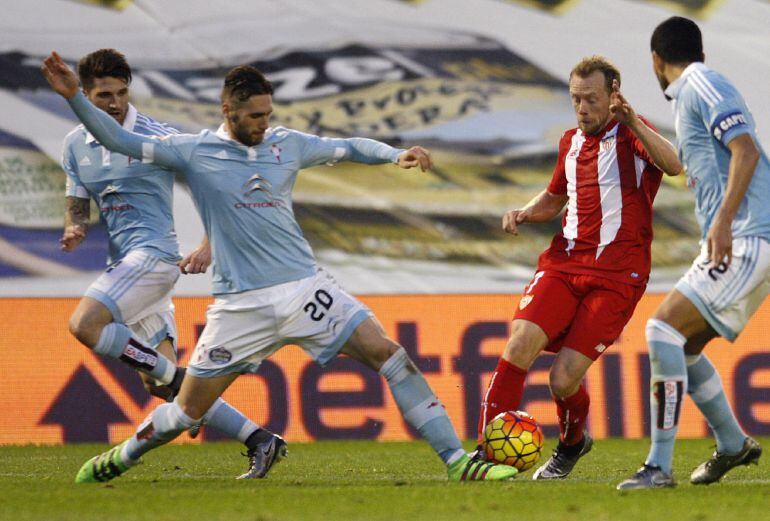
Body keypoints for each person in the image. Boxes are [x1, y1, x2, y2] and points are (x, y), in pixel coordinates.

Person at [42, 52, 519, 483]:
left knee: (391, 355)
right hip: (240, 307)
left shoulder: (285, 144)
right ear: (227, 110)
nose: (263, 124)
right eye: (254, 116)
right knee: (186, 410)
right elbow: (113, 137)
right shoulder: (192, 151)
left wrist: (396, 154)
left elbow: (349, 146)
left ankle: (458, 462)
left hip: (305, 289)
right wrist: (73, 100)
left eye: (268, 115)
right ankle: (121, 457)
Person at [59, 49, 284, 479]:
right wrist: (75, 226)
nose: (115, 103)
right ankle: (260, 439)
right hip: (125, 268)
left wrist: (208, 243)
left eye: (122, 93)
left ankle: (180, 379)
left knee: (84, 325)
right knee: (160, 385)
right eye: (104, 94)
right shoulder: (74, 144)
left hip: (156, 259)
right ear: (85, 94)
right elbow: (77, 202)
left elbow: (220, 186)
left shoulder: (154, 137)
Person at [474, 56, 682, 480]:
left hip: (617, 275)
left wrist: (636, 123)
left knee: (562, 380)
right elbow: (554, 198)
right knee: (518, 345)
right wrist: (525, 212)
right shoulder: (569, 142)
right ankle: (489, 453)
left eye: (591, 99)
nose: (582, 108)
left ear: (613, 95)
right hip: (564, 264)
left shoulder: (633, 134)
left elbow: (674, 165)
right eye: (576, 99)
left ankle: (572, 444)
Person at [617, 17, 766, 490]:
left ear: (656, 60)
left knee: (661, 329)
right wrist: (633, 122)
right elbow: (681, 165)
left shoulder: (702, 83)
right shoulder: (690, 98)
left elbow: (745, 150)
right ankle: (732, 443)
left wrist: (722, 223)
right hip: (739, 236)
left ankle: (659, 466)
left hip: (746, 235)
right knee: (685, 345)